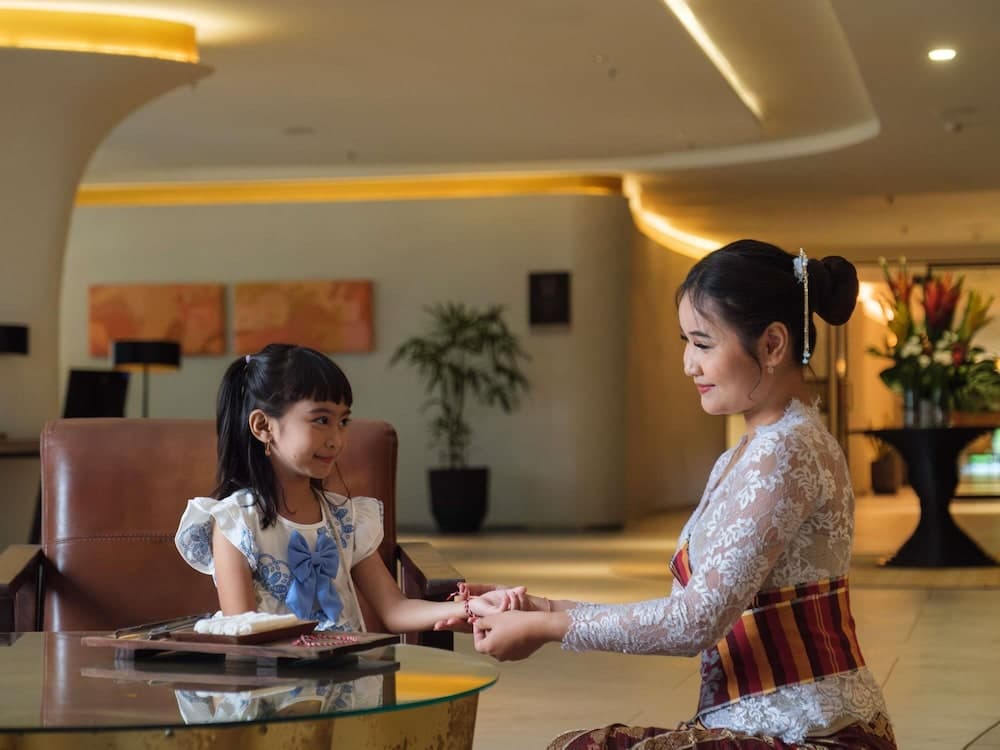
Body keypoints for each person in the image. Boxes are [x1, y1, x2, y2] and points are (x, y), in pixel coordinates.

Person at [445, 241, 897, 749]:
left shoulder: (789, 450)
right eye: (686, 342)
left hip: (814, 734)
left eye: (703, 344)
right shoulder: (747, 454)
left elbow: (693, 624)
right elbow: (685, 610)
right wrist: (536, 607)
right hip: (754, 727)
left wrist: (547, 627)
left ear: (773, 345)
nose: (688, 364)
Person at [175, 343, 523, 634]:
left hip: (347, 680)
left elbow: (395, 610)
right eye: (321, 420)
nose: (336, 439)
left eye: (343, 421)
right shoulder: (234, 523)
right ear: (263, 426)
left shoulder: (344, 518)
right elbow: (243, 633)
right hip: (272, 687)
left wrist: (471, 607)